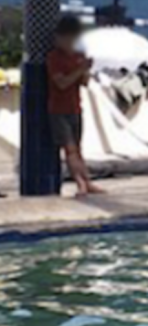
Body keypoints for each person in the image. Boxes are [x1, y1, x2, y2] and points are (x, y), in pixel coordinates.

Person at [47, 15, 103, 197]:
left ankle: (87, 181)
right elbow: (61, 83)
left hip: (75, 107)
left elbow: (84, 83)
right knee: (70, 149)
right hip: (59, 109)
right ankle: (81, 183)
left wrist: (86, 69)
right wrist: (79, 69)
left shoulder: (78, 56)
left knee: (78, 148)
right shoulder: (54, 57)